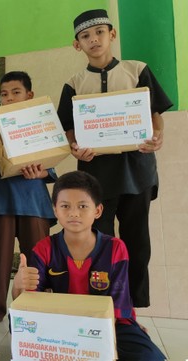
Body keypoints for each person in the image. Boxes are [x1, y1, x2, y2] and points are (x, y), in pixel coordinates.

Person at [56, 9, 173, 308]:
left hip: (137, 171)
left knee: (137, 242)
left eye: (98, 32)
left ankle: (132, 309)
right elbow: (68, 128)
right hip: (95, 177)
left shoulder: (137, 70)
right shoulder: (74, 82)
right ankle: (102, 305)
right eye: (85, 36)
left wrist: (157, 136)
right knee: (99, 242)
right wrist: (74, 147)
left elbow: (154, 113)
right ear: (76, 44)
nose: (93, 40)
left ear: (112, 34)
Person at [12, 170, 166, 360]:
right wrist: (18, 286)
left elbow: (119, 304)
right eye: (65, 206)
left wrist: (120, 334)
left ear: (98, 210)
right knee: (19, 329)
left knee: (149, 357)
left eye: (83, 206)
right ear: (55, 210)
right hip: (60, 323)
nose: (74, 213)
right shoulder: (44, 249)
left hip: (108, 323)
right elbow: (29, 306)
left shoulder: (115, 248)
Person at [0, 71, 56, 324]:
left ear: (29, 95)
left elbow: (51, 160)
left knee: (37, 256)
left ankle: (36, 304)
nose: (9, 98)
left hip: (33, 200)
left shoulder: (40, 120)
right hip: (0, 199)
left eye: (15, 92)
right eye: (4, 94)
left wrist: (40, 171)